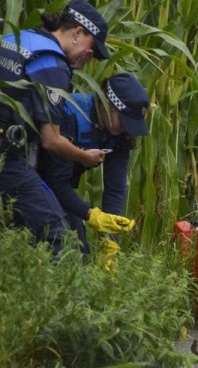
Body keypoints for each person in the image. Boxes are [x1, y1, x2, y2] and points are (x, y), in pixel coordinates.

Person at [0, 0, 132, 249]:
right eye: (91, 48)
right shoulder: (53, 63)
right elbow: (51, 140)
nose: (90, 57)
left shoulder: (20, 38)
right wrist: (82, 157)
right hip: (2, 157)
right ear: (77, 33)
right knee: (63, 239)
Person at [37, 73, 149, 257]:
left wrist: (110, 241)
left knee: (82, 254)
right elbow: (55, 182)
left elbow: (115, 189)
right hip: (40, 182)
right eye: (124, 120)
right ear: (107, 105)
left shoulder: (120, 134)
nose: (126, 129)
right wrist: (92, 215)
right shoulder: (70, 114)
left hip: (62, 189)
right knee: (66, 251)